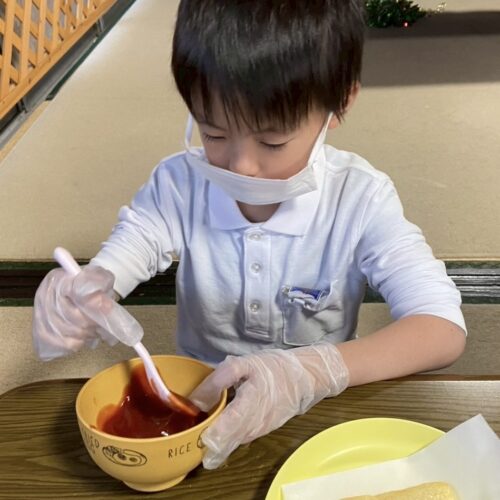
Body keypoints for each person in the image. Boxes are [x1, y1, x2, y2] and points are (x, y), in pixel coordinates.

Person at [32, 0, 466, 469]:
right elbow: (133, 244)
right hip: (202, 401)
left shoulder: (360, 198)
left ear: (339, 104)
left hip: (315, 409)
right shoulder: (180, 184)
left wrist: (313, 370)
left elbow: (441, 328)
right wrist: (90, 288)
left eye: (272, 141)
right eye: (214, 134)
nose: (241, 165)